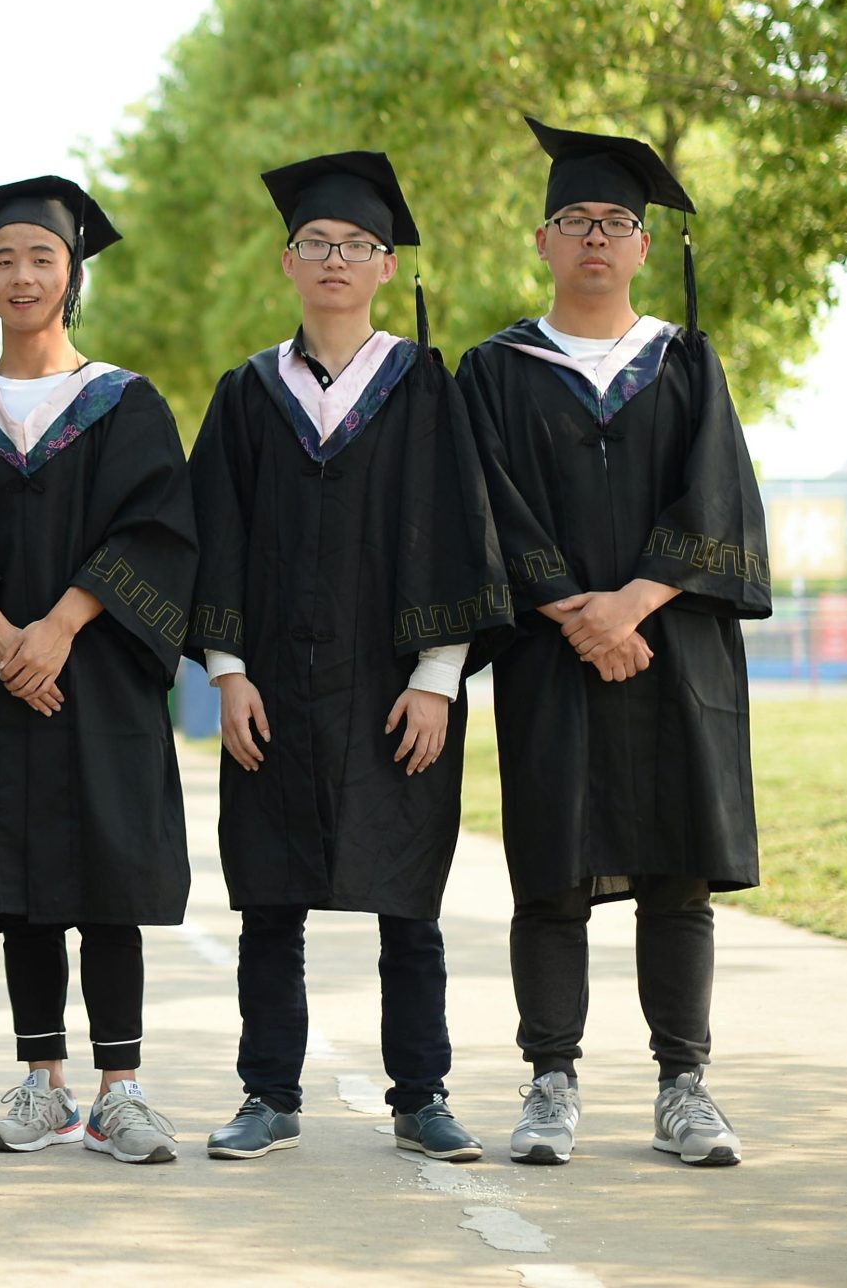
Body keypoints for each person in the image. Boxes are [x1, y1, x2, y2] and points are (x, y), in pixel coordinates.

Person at [455, 116, 770, 1170]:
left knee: (676, 872)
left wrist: (631, 604)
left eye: (617, 223)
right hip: (554, 657)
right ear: (541, 242)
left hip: (671, 649)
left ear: (644, 247)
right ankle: (550, 1081)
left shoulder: (685, 361)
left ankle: (684, 1085)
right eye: (576, 220)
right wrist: (574, 613)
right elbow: (484, 505)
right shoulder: (492, 371)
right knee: (550, 870)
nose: (596, 237)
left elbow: (715, 493)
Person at [186, 152, 512, 1165]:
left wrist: (435, 681)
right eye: (318, 245)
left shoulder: (425, 386)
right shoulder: (248, 394)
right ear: (287, 262)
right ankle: (267, 1094)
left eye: (357, 247)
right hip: (274, 681)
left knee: (406, 898)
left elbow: (460, 532)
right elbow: (215, 534)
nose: (335, 260)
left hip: (391, 684)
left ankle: (422, 1095)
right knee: (269, 899)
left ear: (384, 268)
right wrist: (228, 673)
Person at [0, 175, 197, 1167]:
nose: (22, 274)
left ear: (72, 273)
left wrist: (65, 624)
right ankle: (44, 1086)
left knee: (109, 873)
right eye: (4, 259)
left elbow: (160, 530)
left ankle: (120, 1090)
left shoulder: (124, 403)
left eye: (41, 257)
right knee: (18, 876)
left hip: (99, 676)